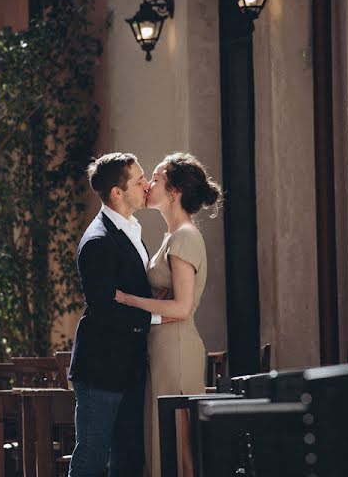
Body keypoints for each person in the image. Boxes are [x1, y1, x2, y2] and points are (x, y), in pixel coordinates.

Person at [113, 152, 221, 477]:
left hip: (176, 350)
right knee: (166, 444)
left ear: (174, 191)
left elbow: (183, 308)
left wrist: (128, 300)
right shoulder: (172, 237)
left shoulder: (185, 237)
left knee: (181, 448)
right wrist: (152, 298)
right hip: (162, 349)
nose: (149, 185)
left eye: (157, 179)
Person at [67, 152, 166, 477]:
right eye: (139, 180)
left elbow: (130, 287)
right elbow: (105, 308)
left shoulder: (131, 230)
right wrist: (159, 317)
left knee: (128, 461)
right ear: (117, 193)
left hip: (130, 366)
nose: (147, 184)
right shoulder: (98, 241)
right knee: (91, 460)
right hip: (102, 368)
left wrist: (154, 298)